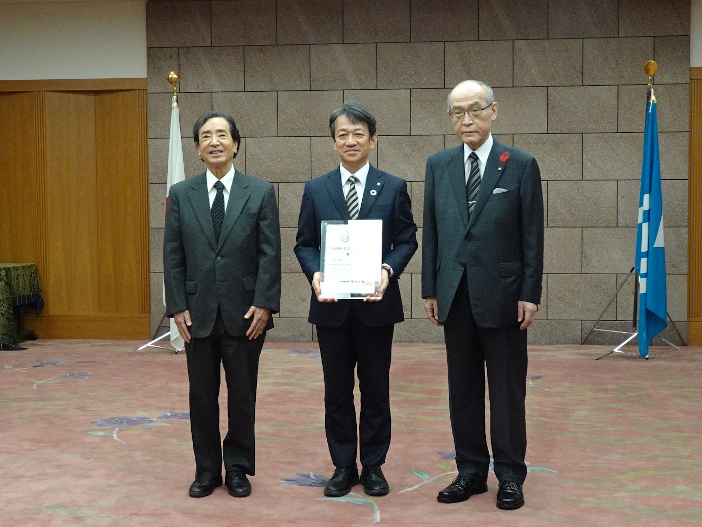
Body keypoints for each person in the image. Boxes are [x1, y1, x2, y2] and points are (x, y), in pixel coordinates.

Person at [422, 80, 544, 510]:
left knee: (508, 390)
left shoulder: (521, 165)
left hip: (506, 296)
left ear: (495, 111)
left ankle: (510, 475)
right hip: (454, 295)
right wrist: (430, 288)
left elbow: (533, 236)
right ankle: (471, 471)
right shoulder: (438, 165)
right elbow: (432, 232)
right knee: (464, 388)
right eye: (457, 112)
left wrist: (531, 292)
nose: (466, 119)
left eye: (475, 109)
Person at [295, 102, 417, 498]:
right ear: (333, 142)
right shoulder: (316, 189)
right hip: (330, 307)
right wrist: (315, 274)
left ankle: (375, 466)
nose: (350, 141)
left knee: (376, 390)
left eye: (358, 134)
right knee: (336, 391)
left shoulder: (394, 186)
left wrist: (386, 271)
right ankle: (343, 465)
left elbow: (407, 239)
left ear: (373, 139)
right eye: (342, 135)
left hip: (376, 306)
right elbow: (305, 244)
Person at [163, 111, 281, 499]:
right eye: (206, 137)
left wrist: (264, 304)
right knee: (201, 395)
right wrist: (177, 305)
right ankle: (207, 470)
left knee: (242, 395)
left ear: (235, 144)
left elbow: (270, 254)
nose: (214, 142)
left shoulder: (260, 191)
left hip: (245, 313)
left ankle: (238, 469)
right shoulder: (181, 194)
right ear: (197, 148)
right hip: (196, 313)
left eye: (222, 135)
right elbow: (173, 255)